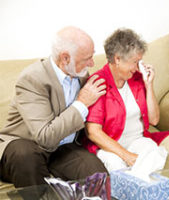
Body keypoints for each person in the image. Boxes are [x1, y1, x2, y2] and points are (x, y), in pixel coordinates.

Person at [0, 26, 108, 188]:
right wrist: (82, 103)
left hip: (63, 148)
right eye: (87, 58)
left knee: (95, 174)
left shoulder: (81, 74)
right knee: (26, 157)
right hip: (26, 144)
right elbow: (45, 137)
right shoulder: (32, 79)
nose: (92, 64)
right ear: (65, 58)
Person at [82, 28, 169, 172]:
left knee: (154, 153)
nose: (138, 67)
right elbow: (93, 132)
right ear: (117, 59)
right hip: (109, 146)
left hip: (137, 141)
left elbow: (154, 120)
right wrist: (128, 156)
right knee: (117, 166)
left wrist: (149, 85)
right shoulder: (98, 83)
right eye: (135, 62)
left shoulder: (137, 79)